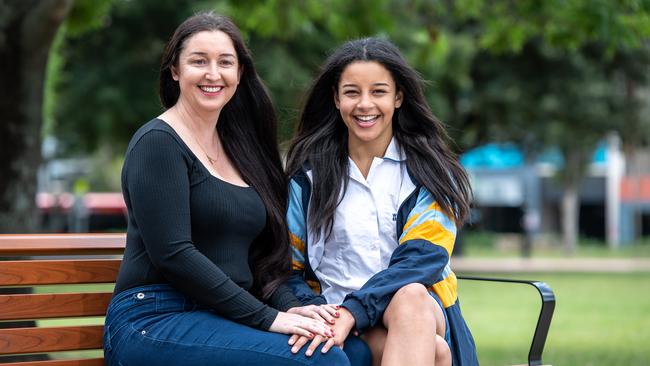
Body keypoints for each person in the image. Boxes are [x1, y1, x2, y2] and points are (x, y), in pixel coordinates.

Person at [103, 12, 370, 366]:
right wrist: (270, 319)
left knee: (354, 350)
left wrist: (299, 311)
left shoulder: (242, 150)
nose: (213, 74)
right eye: (199, 61)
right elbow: (174, 254)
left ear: (239, 74)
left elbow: (265, 260)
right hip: (154, 318)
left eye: (225, 62)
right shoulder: (158, 143)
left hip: (223, 316)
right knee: (323, 362)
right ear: (175, 71)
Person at [285, 37, 479, 366]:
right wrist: (322, 314)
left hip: (419, 311)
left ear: (398, 97)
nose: (365, 104)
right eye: (351, 92)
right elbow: (287, 268)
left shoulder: (429, 174)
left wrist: (354, 311)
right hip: (336, 316)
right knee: (435, 353)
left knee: (411, 295)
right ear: (335, 98)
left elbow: (419, 262)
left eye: (378, 91)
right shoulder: (307, 179)